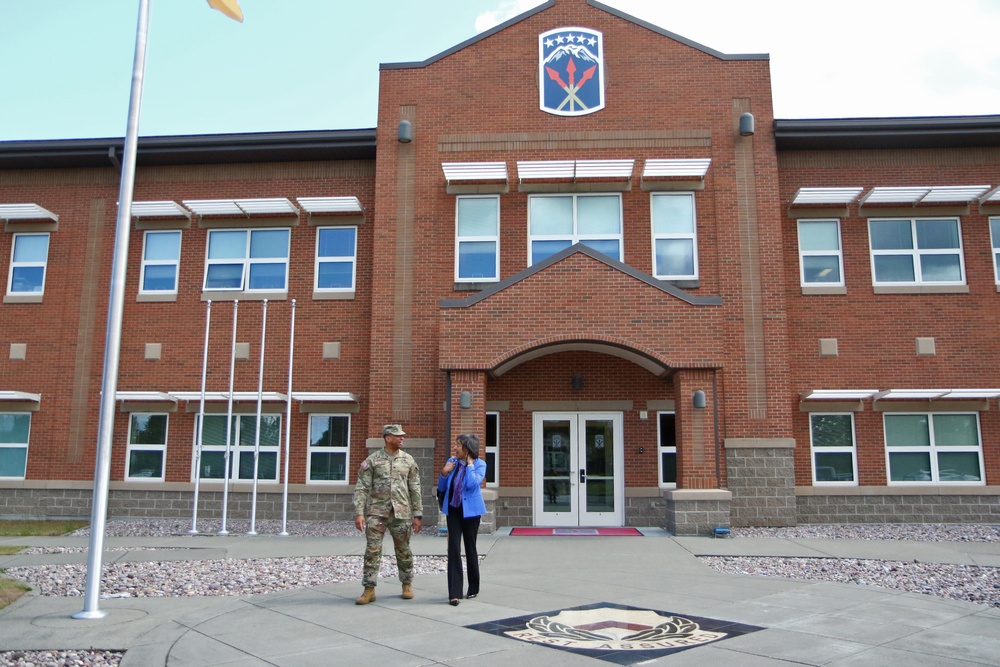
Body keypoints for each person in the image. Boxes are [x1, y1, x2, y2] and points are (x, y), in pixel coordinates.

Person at [352, 424, 423, 605]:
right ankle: (369, 589)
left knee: (404, 550)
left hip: (401, 513)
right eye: (398, 436)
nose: (402, 438)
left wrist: (418, 515)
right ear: (387, 438)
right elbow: (362, 487)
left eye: (402, 436)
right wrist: (359, 512)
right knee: (372, 551)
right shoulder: (373, 461)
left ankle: (407, 584)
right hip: (377, 512)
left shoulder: (408, 461)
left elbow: (415, 488)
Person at [438, 433, 487, 606]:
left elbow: (473, 484)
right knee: (453, 548)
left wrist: (470, 465)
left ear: (466, 449)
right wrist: (444, 473)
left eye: (458, 445)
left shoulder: (480, 465)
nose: (455, 448)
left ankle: (473, 587)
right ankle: (454, 593)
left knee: (470, 548)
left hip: (472, 513)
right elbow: (442, 487)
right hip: (453, 511)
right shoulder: (452, 462)